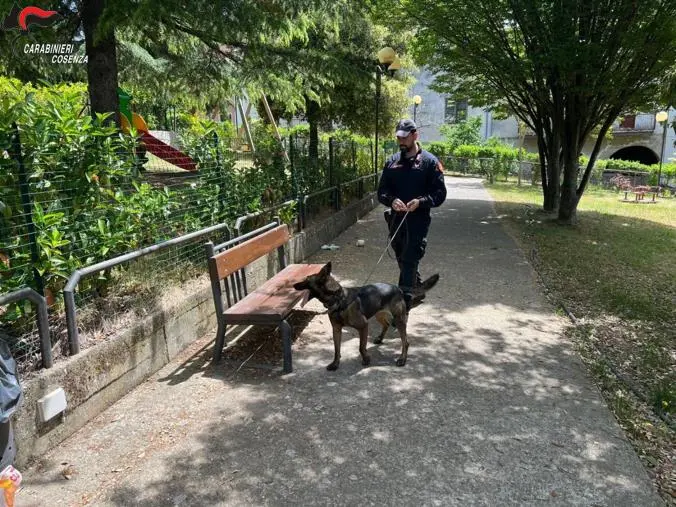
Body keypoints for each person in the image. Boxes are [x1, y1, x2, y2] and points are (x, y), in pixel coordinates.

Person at [377, 119, 447, 310]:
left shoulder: (430, 162)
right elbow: (381, 192)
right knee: (401, 256)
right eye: (398, 137)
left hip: (418, 220)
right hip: (395, 219)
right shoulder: (391, 162)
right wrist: (391, 200)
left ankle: (401, 306)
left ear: (415, 135)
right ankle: (417, 288)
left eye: (404, 137)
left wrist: (421, 202)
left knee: (409, 258)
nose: (401, 141)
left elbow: (440, 194)